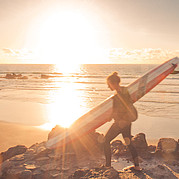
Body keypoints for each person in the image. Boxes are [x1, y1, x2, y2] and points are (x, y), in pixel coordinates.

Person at [103, 71, 141, 171]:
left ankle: (108, 166)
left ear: (113, 83)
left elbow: (125, 107)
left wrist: (119, 120)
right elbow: (120, 108)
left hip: (121, 123)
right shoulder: (124, 91)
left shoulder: (120, 94)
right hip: (126, 123)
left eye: (109, 84)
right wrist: (110, 116)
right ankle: (137, 166)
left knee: (105, 141)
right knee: (129, 143)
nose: (108, 86)